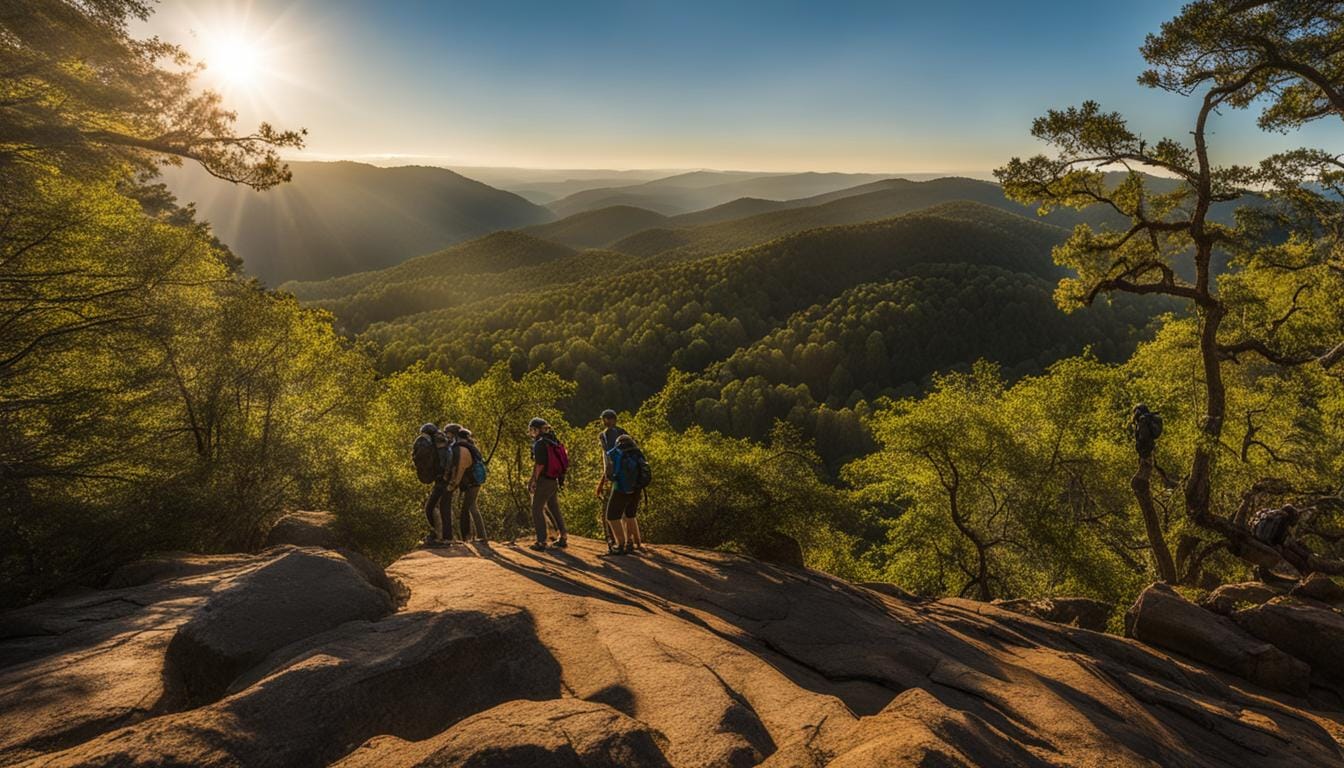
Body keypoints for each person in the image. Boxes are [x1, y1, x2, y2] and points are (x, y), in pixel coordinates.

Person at [527, 417, 568, 551]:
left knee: (536, 509)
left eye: (531, 430)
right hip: (554, 479)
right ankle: (563, 536)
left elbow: (539, 465)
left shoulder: (540, 443)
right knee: (553, 506)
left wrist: (533, 480)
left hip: (544, 480)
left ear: (536, 430)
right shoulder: (554, 440)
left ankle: (541, 541)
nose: (531, 433)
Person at [605, 434, 646, 555]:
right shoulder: (637, 452)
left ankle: (620, 544)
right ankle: (635, 543)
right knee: (630, 514)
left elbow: (611, 473)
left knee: (612, 516)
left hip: (620, 488)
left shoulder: (617, 453)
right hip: (637, 489)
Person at [594, 408, 628, 553]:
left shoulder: (605, 435)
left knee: (608, 513)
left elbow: (609, 460)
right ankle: (629, 541)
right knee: (625, 511)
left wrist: (603, 481)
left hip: (614, 478)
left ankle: (614, 543)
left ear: (610, 420)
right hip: (629, 478)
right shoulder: (624, 433)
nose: (604, 421)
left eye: (605, 419)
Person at [449, 427, 488, 541]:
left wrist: (455, 483)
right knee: (472, 507)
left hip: (471, 483)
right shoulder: (472, 447)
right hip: (475, 481)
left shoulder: (462, 449)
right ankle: (481, 536)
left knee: (465, 509)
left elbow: (461, 468)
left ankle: (468, 537)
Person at [418, 423, 452, 546]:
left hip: (442, 479)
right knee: (441, 507)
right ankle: (443, 536)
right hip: (445, 478)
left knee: (431, 507)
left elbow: (442, 463)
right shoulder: (443, 442)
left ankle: (440, 536)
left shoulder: (437, 444)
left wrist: (443, 474)